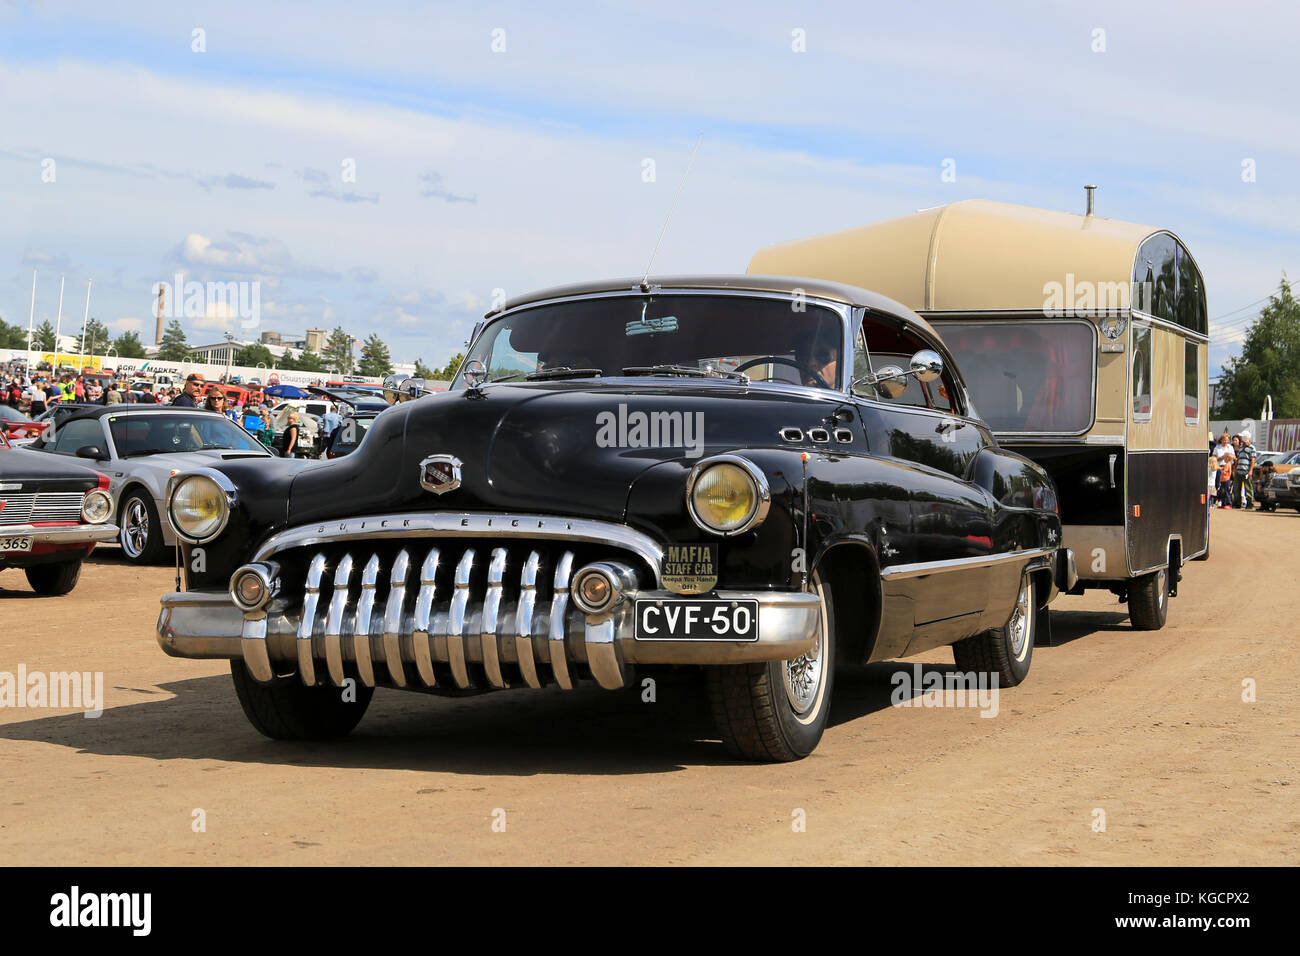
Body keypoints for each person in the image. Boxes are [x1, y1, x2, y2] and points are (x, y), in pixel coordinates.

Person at [1234, 430, 1257, 510]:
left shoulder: (1252, 448)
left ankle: (1249, 503)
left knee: (1248, 487)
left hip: (1246, 471)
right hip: (1239, 470)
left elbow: (1253, 460)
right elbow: (1238, 458)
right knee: (1236, 487)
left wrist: (1250, 470)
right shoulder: (1241, 448)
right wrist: (1235, 468)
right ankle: (1237, 503)